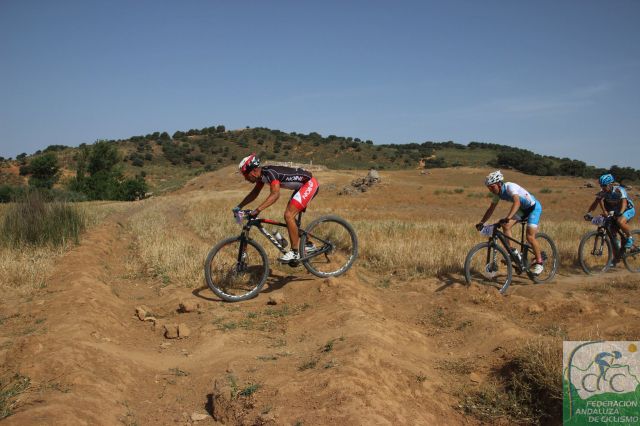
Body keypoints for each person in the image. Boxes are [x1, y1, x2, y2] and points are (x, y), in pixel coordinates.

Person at [234, 154, 319, 262]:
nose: (246, 179)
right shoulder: (261, 176)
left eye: (246, 175)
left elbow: (275, 195)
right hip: (300, 187)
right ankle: (308, 244)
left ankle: (294, 252)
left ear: (254, 170)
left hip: (309, 184)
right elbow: (254, 193)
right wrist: (239, 206)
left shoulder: (270, 173)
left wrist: (258, 210)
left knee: (288, 215)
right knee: (290, 219)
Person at [476, 170, 544, 275]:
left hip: (533, 208)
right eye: (489, 188)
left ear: (499, 184)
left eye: (492, 187)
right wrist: (482, 222)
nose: (491, 190)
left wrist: (508, 217)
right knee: (505, 225)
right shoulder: (497, 194)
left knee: (530, 237)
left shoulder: (509, 187)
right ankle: (513, 253)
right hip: (522, 209)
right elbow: (491, 209)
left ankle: (539, 262)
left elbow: (516, 202)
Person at [585, 173, 635, 249]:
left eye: (605, 185)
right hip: (615, 210)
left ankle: (630, 238)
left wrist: (620, 213)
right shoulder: (602, 192)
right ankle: (617, 248)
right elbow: (595, 203)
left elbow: (624, 202)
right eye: (601, 185)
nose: (603, 187)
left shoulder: (619, 190)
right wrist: (589, 213)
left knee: (620, 221)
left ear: (611, 184)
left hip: (628, 209)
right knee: (610, 228)